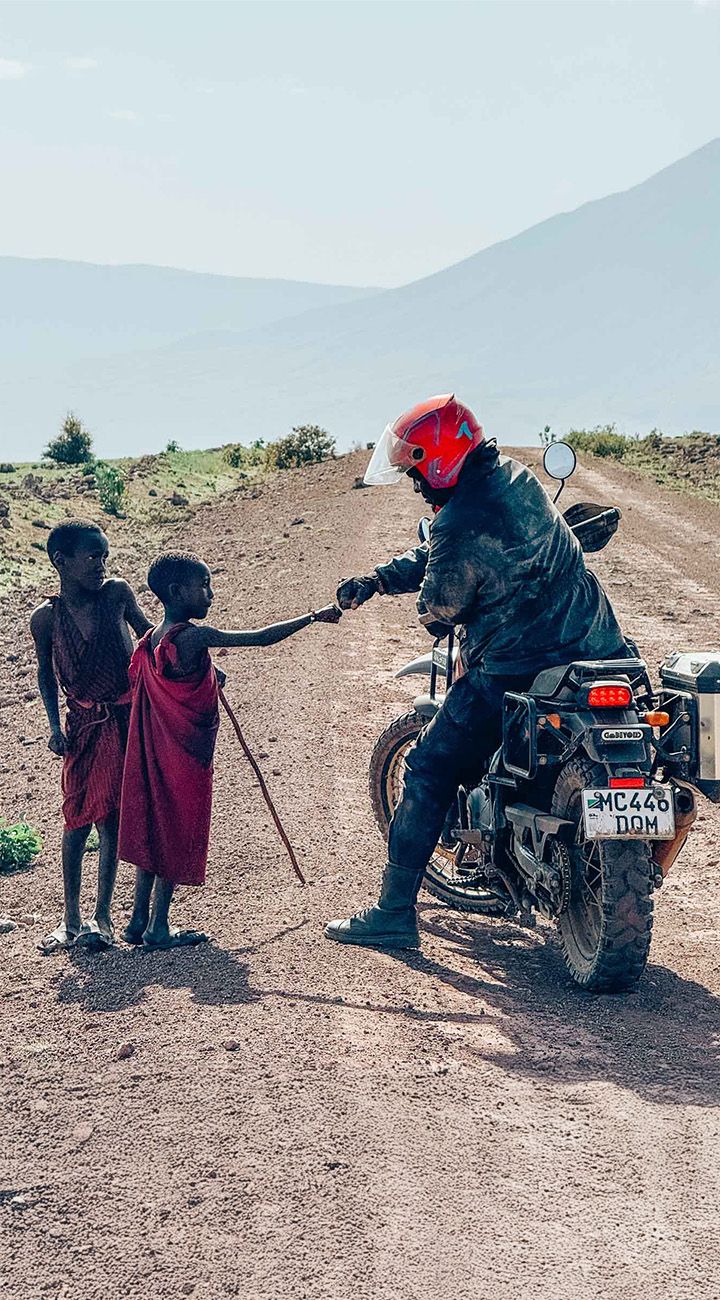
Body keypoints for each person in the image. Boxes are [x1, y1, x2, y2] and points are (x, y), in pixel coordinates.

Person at [325, 393, 628, 949]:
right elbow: (451, 548)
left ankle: (394, 914)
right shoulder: (517, 479)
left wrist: (420, 599)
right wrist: (378, 578)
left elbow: (438, 607)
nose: (416, 483)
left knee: (430, 769)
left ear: (439, 462)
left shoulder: (459, 521)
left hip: (517, 671)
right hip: (602, 655)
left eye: (417, 469)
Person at [119, 550, 342, 950]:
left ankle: (137, 920)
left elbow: (169, 674)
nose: (211, 593)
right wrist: (313, 617)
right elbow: (259, 638)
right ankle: (157, 928)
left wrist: (208, 672)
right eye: (203, 586)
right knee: (176, 825)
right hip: (184, 755)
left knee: (156, 823)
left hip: (156, 751)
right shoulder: (192, 636)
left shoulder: (152, 637)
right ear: (175, 591)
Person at [30, 519, 152, 954]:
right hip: (81, 727)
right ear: (61, 562)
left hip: (123, 721)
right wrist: (52, 726)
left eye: (104, 555)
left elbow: (150, 637)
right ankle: (71, 917)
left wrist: (195, 666)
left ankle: (102, 916)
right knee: (76, 819)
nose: (101, 564)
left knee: (111, 819)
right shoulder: (45, 619)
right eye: (92, 556)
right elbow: (45, 674)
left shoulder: (116, 595)